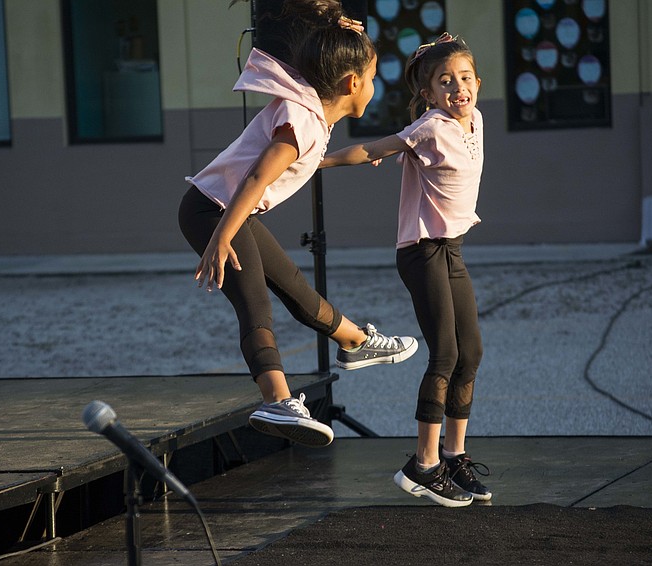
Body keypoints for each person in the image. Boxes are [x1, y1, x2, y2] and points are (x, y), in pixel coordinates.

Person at [178, 0, 418, 450]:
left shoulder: (310, 109)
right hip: (214, 211)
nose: (373, 86)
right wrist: (222, 237)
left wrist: (337, 27)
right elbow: (257, 176)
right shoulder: (303, 121)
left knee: (294, 288)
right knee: (255, 305)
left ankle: (355, 342)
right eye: (371, 78)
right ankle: (277, 399)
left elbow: (301, 163)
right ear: (351, 83)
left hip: (228, 210)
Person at [320, 33, 491, 506]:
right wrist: (317, 161)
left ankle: (454, 457)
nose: (457, 87)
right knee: (445, 354)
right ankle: (422, 465)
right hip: (422, 251)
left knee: (470, 352)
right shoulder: (430, 127)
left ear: (478, 82)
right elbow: (369, 150)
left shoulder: (474, 119)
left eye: (463, 77)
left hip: (450, 249)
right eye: (444, 81)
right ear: (429, 94)